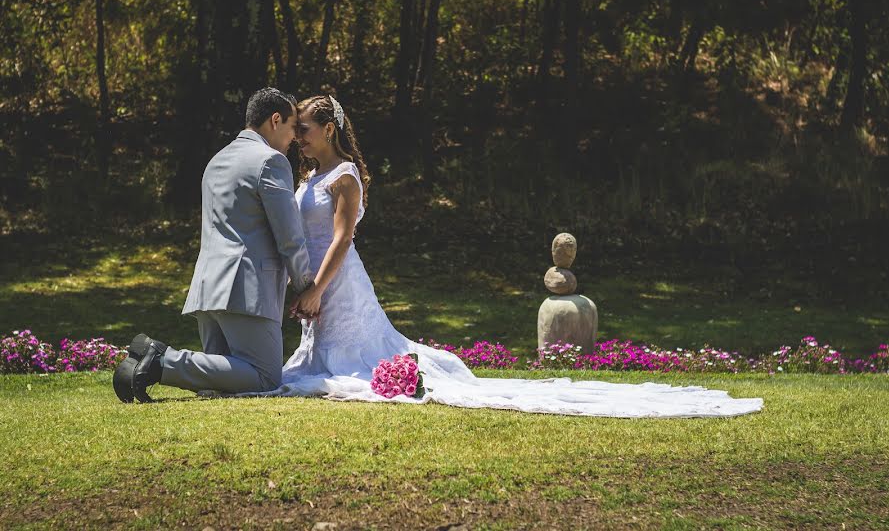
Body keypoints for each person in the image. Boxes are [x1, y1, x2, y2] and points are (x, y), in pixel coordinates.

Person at [252, 94, 763, 418]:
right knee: (321, 356)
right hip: (314, 276)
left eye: (305, 129)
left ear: (329, 131)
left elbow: (342, 239)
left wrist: (317, 286)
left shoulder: (343, 177)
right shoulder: (309, 176)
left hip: (338, 277)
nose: (298, 138)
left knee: (355, 359)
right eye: (296, 130)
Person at [113, 88, 317, 403]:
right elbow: (289, 236)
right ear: (275, 120)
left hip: (208, 289)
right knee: (264, 377)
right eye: (292, 127)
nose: (294, 138)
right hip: (247, 289)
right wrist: (306, 285)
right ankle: (160, 360)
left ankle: (153, 361)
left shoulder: (217, 160)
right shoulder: (271, 161)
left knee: (229, 380)